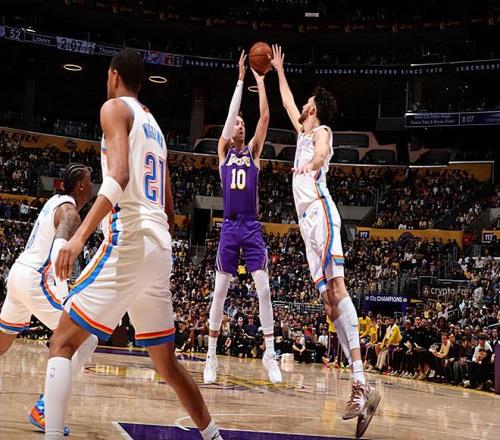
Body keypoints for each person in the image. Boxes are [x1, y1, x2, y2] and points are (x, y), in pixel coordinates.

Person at [43, 49, 222, 440]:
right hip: (159, 247)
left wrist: (79, 237)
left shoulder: (113, 109)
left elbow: (119, 175)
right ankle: (214, 436)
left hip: (130, 238)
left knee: (61, 342)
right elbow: (170, 209)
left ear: (113, 75)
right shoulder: (154, 126)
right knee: (166, 363)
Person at [272, 44, 380, 438]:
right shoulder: (303, 129)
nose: (301, 106)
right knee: (328, 303)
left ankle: (360, 383)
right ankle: (361, 386)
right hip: (306, 225)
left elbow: (320, 153)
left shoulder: (321, 132)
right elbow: (287, 103)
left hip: (320, 212)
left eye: (307, 103)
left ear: (314, 109)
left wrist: (312, 164)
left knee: (338, 289)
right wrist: (278, 71)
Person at [0, 163, 98, 435]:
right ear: (81, 186)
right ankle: (44, 409)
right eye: (90, 181)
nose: (93, 185)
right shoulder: (70, 212)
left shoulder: (54, 202)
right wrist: (66, 297)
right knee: (86, 338)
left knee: (2, 341)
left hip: (18, 273)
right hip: (35, 279)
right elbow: (59, 253)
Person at [204, 51, 282, 384]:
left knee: (263, 290)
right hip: (229, 225)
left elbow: (264, 116)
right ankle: (211, 355)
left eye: (242, 124)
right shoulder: (223, 152)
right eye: (237, 123)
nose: (240, 125)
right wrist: (239, 80)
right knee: (220, 291)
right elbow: (229, 119)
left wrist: (261, 81)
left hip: (250, 225)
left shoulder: (253, 152)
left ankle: (270, 353)